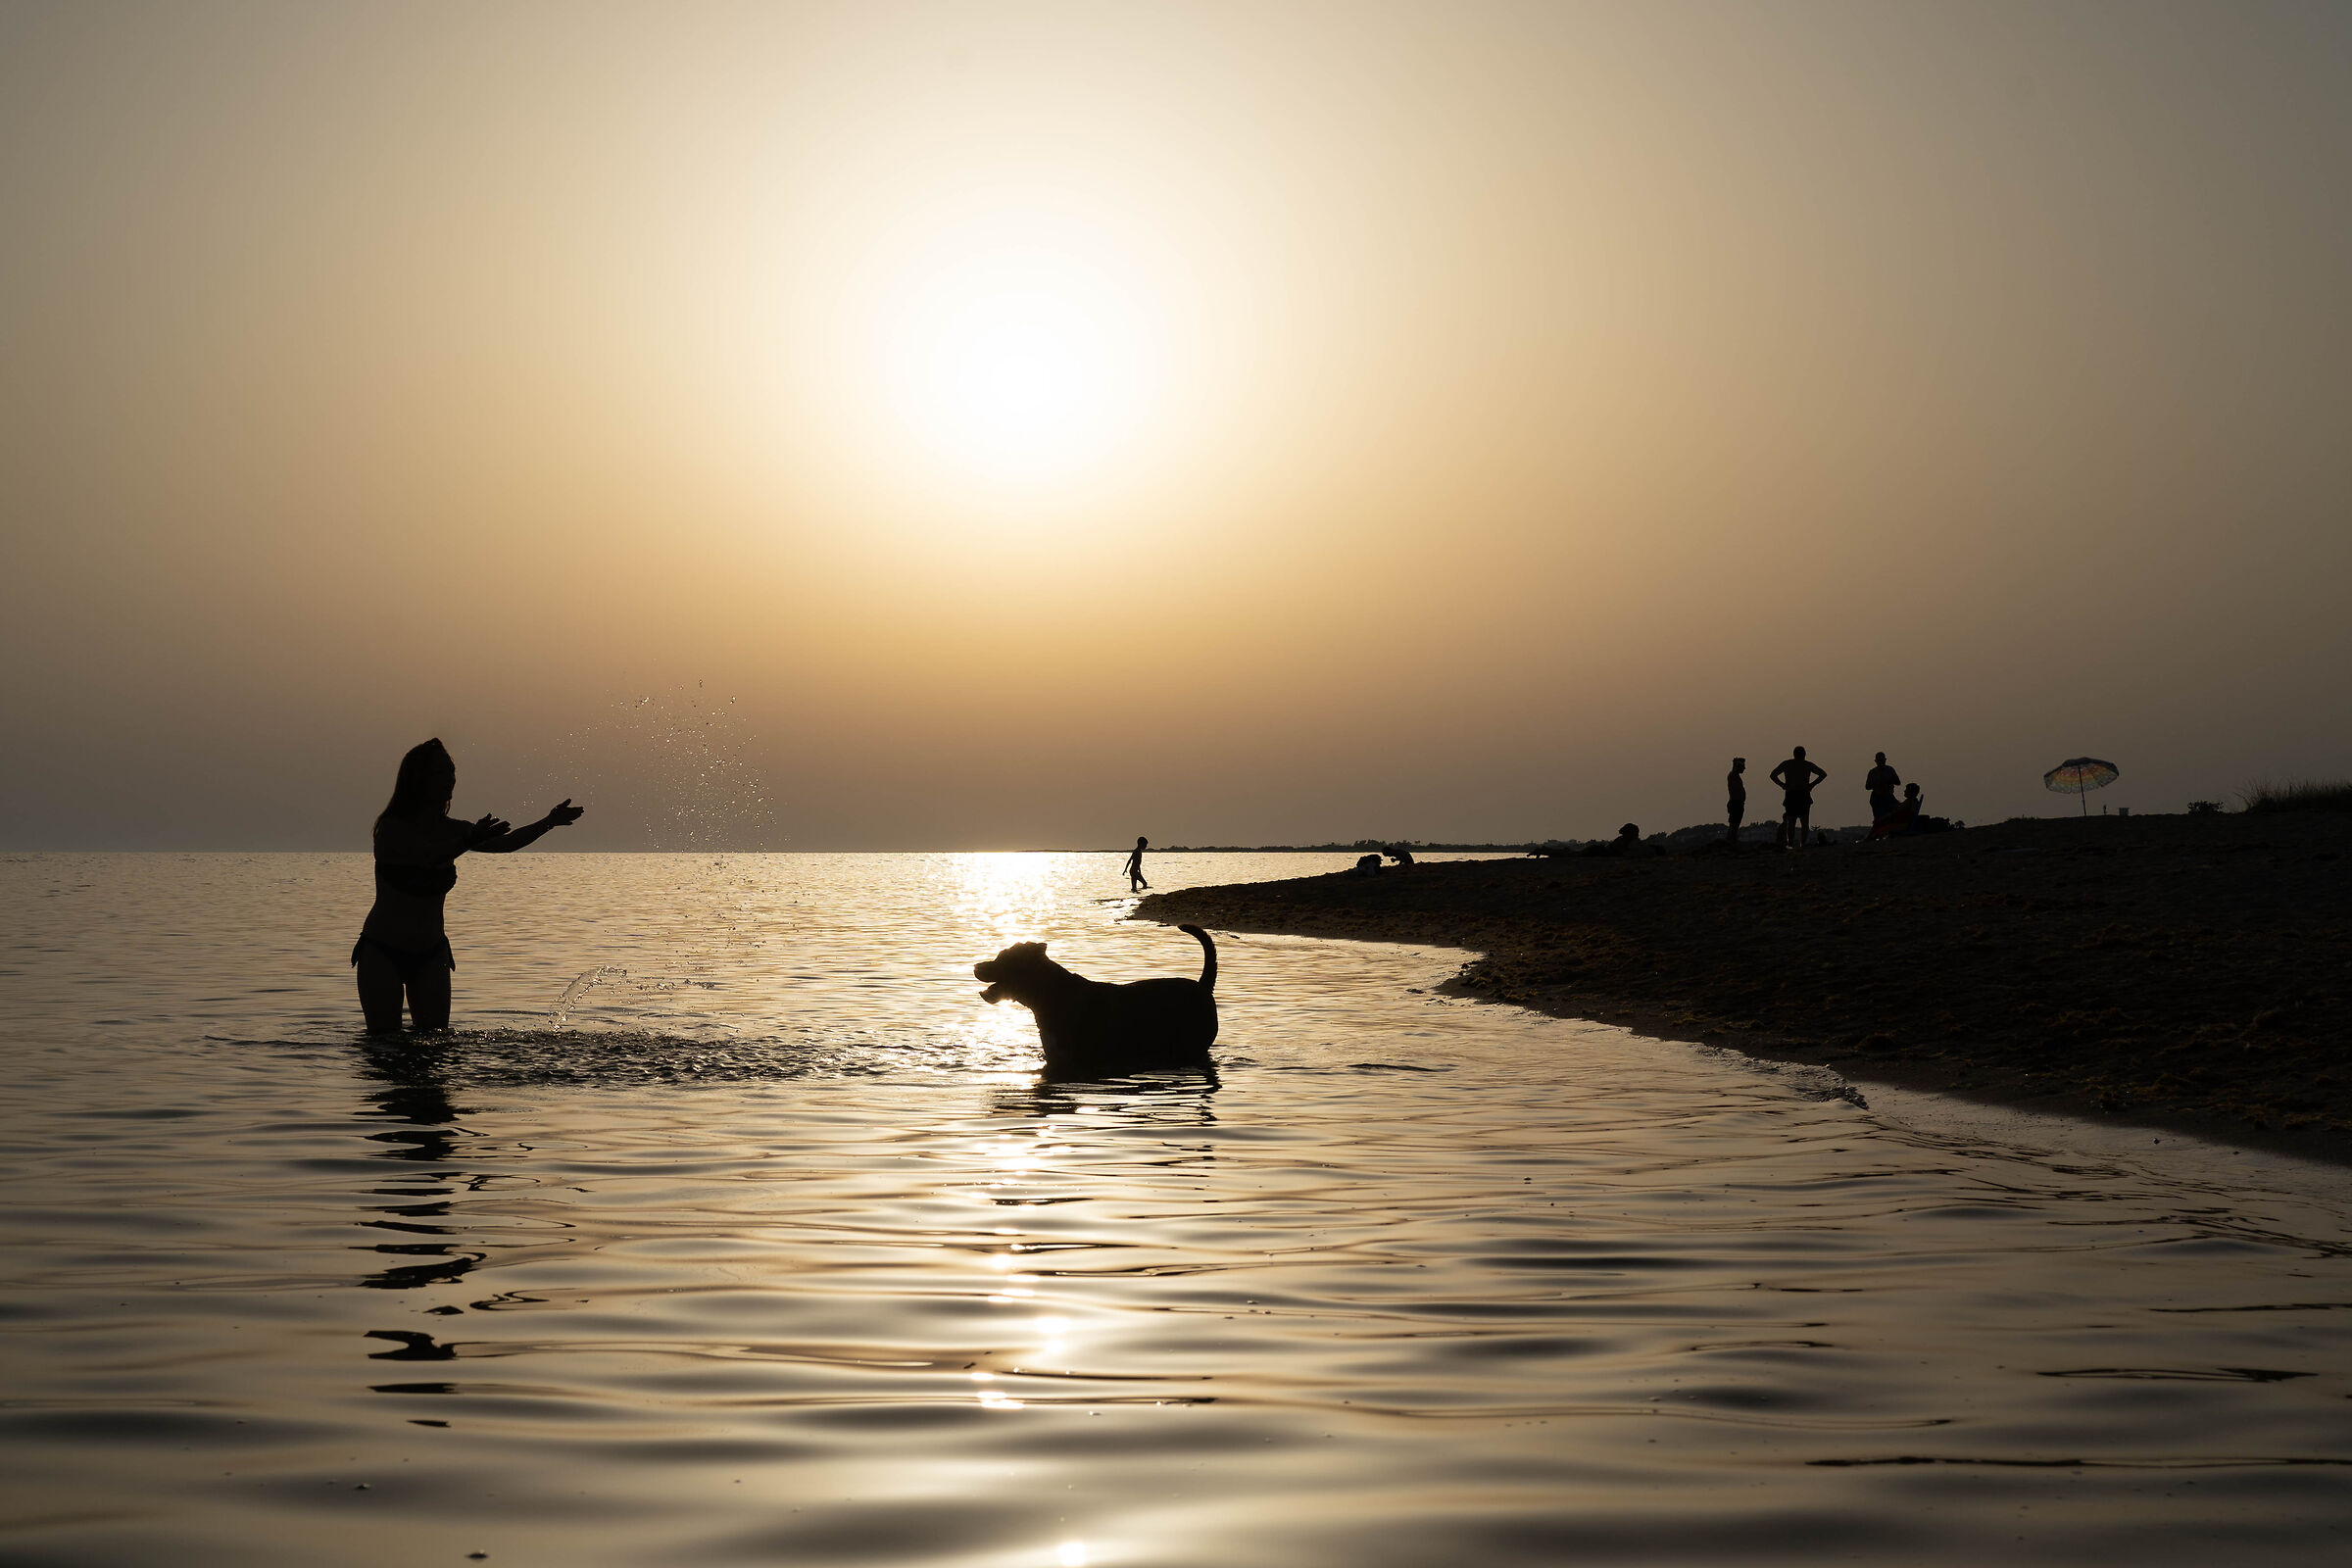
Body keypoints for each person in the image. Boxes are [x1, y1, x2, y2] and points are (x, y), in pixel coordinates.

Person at [354, 738, 584, 1033]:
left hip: (431, 953)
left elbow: (507, 844)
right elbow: (423, 857)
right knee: (384, 1047)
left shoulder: (455, 830)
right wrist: (467, 841)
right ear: (419, 779)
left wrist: (548, 821)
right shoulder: (391, 828)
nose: (450, 779)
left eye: (452, 772)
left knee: (436, 1046)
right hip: (382, 951)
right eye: (441, 772)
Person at [1769, 746, 1828, 850]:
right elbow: (1822, 774)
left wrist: (1782, 784)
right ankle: (1802, 844)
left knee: (1792, 822)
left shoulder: (1787, 764)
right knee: (1804, 821)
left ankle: (1791, 844)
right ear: (1804, 754)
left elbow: (1773, 775)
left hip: (1792, 794)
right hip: (1802, 794)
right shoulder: (1807, 765)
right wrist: (1812, 784)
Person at [1865, 752, 1902, 830]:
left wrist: (1888, 780)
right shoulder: (1872, 772)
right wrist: (1876, 783)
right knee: (1878, 818)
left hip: (1889, 796)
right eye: (1879, 761)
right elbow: (1867, 787)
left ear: (1885, 760)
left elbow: (1898, 782)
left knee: (1893, 813)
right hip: (1877, 798)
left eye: (1882, 760)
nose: (1881, 762)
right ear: (1876, 761)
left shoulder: (1890, 770)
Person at [1726, 758, 1747, 844]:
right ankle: (1731, 841)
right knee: (1734, 824)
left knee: (1734, 824)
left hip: (1738, 803)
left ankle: (1731, 841)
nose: (1744, 768)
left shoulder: (1735, 776)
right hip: (1735, 803)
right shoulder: (1733, 775)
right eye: (1743, 766)